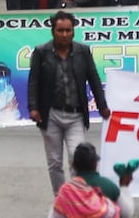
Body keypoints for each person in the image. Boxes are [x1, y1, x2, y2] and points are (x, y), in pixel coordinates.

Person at [28, 10, 111, 194]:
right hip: (51, 115)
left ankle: (78, 196)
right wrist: (33, 107)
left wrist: (102, 105)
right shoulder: (41, 52)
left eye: (68, 30)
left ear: (73, 31)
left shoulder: (83, 51)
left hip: (76, 116)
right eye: (60, 30)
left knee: (78, 158)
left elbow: (94, 79)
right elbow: (34, 81)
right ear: (53, 31)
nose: (64, 34)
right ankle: (61, 199)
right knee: (55, 161)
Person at [51, 142, 126, 218]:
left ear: (73, 165)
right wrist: (124, 186)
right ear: (95, 164)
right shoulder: (109, 186)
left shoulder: (65, 192)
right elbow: (127, 212)